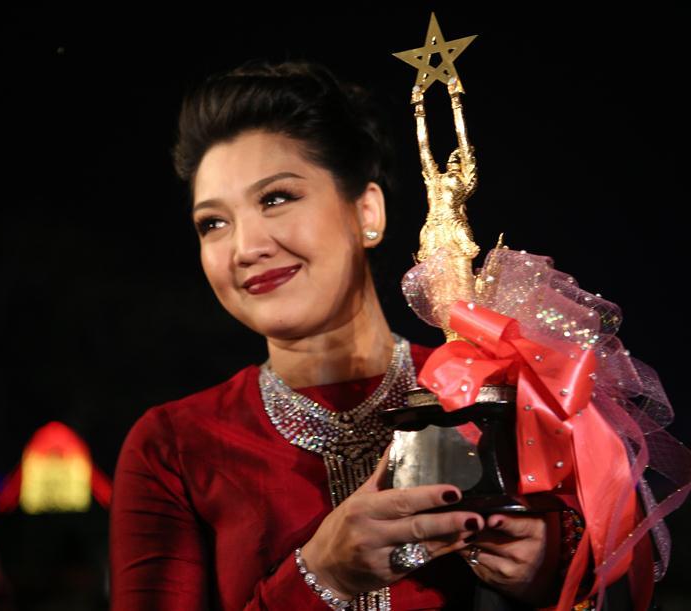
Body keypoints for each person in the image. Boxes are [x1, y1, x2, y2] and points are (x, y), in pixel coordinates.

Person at [108, 59, 622, 611]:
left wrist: (543, 578)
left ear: (366, 212)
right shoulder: (175, 445)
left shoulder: (489, 390)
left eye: (276, 197)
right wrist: (320, 574)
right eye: (214, 223)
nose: (244, 247)